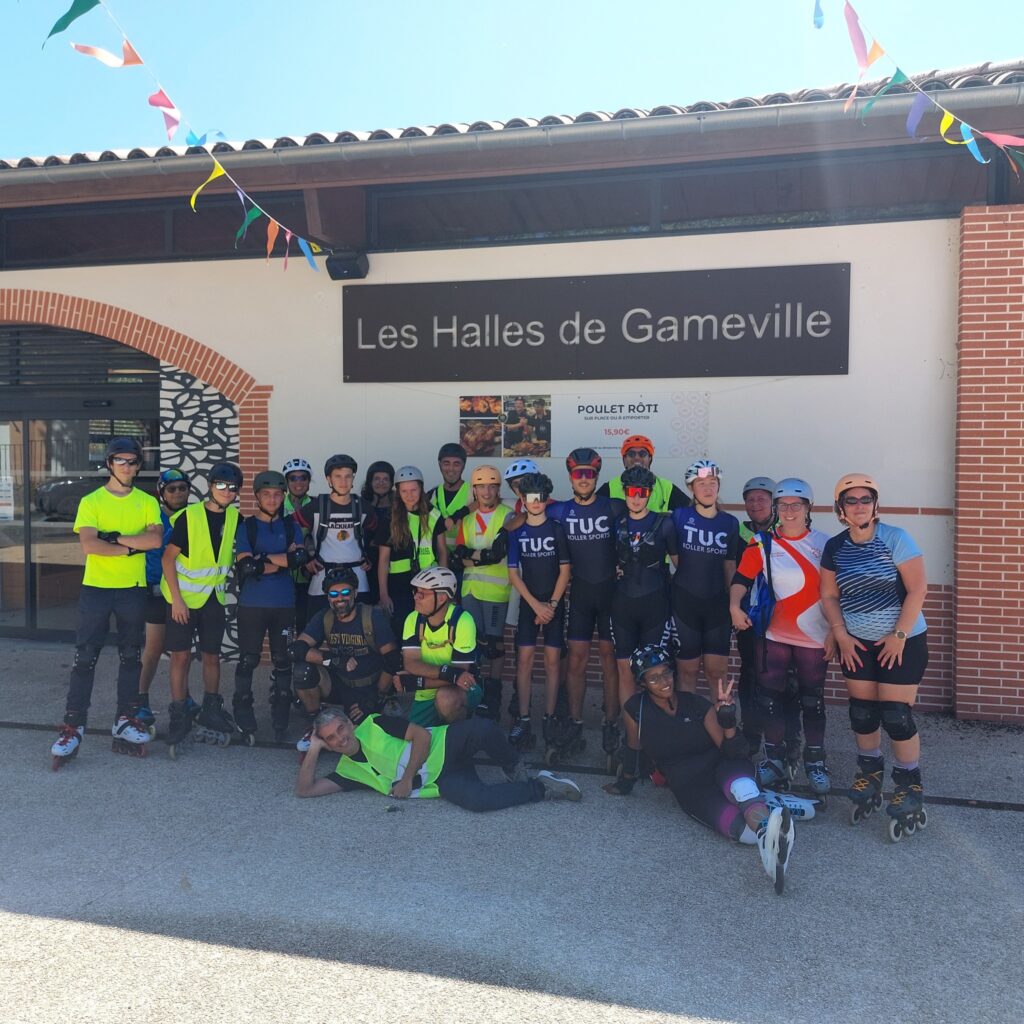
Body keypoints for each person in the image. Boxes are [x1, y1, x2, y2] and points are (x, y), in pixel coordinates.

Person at [603, 644, 804, 895]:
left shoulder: (696, 704)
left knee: (742, 789)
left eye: (666, 673)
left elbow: (734, 751)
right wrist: (625, 782)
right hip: (689, 784)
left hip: (721, 765)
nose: (663, 681)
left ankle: (766, 832)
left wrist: (727, 719)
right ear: (642, 683)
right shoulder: (636, 710)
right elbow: (633, 746)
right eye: (653, 678)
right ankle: (770, 819)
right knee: (740, 831)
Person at [819, 473, 930, 841]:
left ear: (875, 504)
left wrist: (898, 635)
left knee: (896, 715)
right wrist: (840, 634)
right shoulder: (835, 546)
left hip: (902, 640)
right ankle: (869, 774)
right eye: (851, 500)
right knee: (862, 713)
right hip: (857, 643)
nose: (859, 506)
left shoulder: (895, 538)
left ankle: (909, 785)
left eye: (865, 499)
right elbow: (829, 596)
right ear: (840, 508)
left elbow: (917, 589)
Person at [50, 437, 163, 767]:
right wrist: (131, 548)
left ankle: (125, 719)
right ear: (109, 464)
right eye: (120, 460)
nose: (127, 466)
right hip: (96, 589)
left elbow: (154, 540)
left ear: (138, 466)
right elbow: (90, 545)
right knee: (85, 657)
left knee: (131, 656)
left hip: (132, 589)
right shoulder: (91, 501)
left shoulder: (147, 501)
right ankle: (73, 726)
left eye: (133, 461)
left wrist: (112, 539)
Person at [729, 478, 833, 799]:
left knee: (812, 701)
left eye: (796, 505)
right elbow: (741, 579)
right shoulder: (762, 543)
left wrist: (836, 631)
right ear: (776, 508)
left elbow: (836, 592)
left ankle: (815, 761)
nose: (789, 511)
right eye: (783, 505)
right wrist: (733, 606)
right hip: (774, 634)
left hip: (814, 637)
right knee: (769, 699)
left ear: (808, 508)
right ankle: (774, 758)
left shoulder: (826, 544)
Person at [294, 706, 582, 808]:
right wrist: (314, 747)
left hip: (445, 745)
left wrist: (406, 780)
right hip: (441, 780)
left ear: (349, 723)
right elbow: (305, 790)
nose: (340, 738)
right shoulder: (347, 772)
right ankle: (542, 787)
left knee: (483, 728)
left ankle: (514, 767)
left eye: (341, 729)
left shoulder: (374, 724)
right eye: (330, 738)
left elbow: (421, 735)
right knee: (478, 801)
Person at [160, 462, 243, 754]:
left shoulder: (235, 517)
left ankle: (210, 707)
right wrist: (177, 601)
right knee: (180, 657)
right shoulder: (190, 516)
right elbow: (167, 559)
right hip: (182, 599)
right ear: (210, 486)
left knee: (212, 656)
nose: (226, 491)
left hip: (213, 598)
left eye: (232, 488)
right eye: (221, 485)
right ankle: (179, 711)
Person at [548, 448, 623, 763]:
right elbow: (524, 517)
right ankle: (576, 723)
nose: (583, 479)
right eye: (578, 474)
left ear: (596, 477)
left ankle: (611, 724)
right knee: (576, 660)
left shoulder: (613, 506)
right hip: (579, 595)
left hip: (610, 595)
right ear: (570, 477)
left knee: (609, 659)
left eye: (589, 474)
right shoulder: (559, 510)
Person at [232, 470, 308, 741]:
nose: (272, 499)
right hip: (252, 605)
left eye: (277, 494)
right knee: (248, 659)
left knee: (283, 660)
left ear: (283, 496)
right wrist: (279, 560)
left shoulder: (291, 526)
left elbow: (298, 559)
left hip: (284, 604)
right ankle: (242, 709)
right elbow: (246, 566)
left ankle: (280, 714)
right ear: (257, 496)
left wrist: (262, 558)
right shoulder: (248, 526)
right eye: (266, 494)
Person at [291, 566, 401, 752]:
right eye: (334, 594)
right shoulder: (324, 617)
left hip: (369, 686)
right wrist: (333, 659)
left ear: (355, 593)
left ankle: (381, 704)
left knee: (358, 738)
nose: (340, 598)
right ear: (328, 597)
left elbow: (393, 660)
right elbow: (296, 649)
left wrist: (375, 697)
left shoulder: (372, 616)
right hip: (340, 683)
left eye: (345, 592)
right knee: (303, 671)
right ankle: (316, 726)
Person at [505, 473, 571, 758]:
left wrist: (551, 605)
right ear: (522, 499)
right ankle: (523, 718)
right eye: (531, 497)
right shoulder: (516, 532)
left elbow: (565, 571)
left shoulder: (557, 529)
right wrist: (536, 606)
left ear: (546, 499)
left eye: (541, 497)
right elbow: (513, 575)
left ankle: (549, 717)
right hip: (529, 605)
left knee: (553, 662)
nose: (536, 502)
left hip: (554, 604)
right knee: (524, 660)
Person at [670, 459, 740, 693]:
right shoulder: (678, 517)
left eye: (713, 482)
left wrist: (733, 605)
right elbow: (676, 560)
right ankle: (687, 717)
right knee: (687, 672)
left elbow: (729, 566)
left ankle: (722, 717)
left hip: (717, 606)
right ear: (691, 488)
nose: (708, 488)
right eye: (701, 483)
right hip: (684, 604)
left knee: (717, 672)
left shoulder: (730, 523)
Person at [611, 466, 678, 711]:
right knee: (624, 670)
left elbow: (680, 566)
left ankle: (657, 727)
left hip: (655, 606)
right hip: (622, 606)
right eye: (632, 492)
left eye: (642, 492)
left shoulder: (665, 524)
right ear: (624, 492)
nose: (637, 498)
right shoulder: (616, 523)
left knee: (656, 671)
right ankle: (631, 730)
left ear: (649, 494)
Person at [452, 465, 513, 721]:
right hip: (470, 590)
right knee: (473, 644)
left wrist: (473, 557)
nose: (487, 492)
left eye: (492, 486)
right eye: (481, 487)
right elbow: (458, 556)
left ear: (498, 489)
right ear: (474, 490)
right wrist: (481, 556)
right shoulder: (467, 519)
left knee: (494, 645)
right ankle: (473, 694)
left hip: (496, 591)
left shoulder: (507, 515)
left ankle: (493, 697)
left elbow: (496, 554)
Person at [137, 468, 192, 734]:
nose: (178, 493)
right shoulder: (151, 516)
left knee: (182, 651)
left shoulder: (193, 516)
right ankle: (140, 700)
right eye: (172, 489)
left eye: (183, 488)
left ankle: (184, 697)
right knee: (154, 648)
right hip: (156, 593)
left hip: (183, 593)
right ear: (162, 492)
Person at [398, 567, 482, 725]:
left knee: (446, 699)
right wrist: (449, 674)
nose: (416, 597)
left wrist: (418, 682)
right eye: (415, 591)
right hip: (426, 693)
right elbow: (411, 664)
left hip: (462, 689)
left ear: (442, 597)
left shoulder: (463, 620)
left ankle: (461, 733)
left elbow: (461, 676)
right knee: (411, 735)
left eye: (422, 593)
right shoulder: (412, 619)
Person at [378, 465, 447, 637]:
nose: (409, 495)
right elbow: (383, 559)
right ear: (398, 492)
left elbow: (442, 552)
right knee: (403, 631)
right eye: (404, 491)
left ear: (421, 489)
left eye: (414, 490)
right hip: (399, 586)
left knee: (427, 632)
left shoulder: (434, 515)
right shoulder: (389, 517)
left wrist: (444, 586)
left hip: (429, 584)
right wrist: (384, 594)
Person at [306, 454, 377, 616]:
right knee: (317, 626)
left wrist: (370, 557)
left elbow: (377, 536)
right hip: (322, 578)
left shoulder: (364, 507)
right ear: (328, 479)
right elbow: (294, 530)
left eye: (348, 476)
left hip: (358, 579)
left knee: (361, 626)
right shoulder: (316, 506)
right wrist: (307, 556)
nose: (343, 481)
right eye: (338, 476)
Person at [597, 435, 689, 512]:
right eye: (631, 454)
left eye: (642, 454)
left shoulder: (665, 487)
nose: (637, 458)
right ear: (624, 460)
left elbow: (690, 511)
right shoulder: (610, 487)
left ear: (650, 459)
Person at [429, 443, 472, 576]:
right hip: (440, 563)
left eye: (456, 464)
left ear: (463, 466)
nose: (451, 469)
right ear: (439, 465)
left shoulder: (474, 492)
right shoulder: (431, 495)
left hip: (466, 565)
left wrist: (461, 513)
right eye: (446, 463)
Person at [283, 457, 315, 634]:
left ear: (309, 481)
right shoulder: (276, 505)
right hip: (283, 574)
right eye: (293, 478)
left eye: (303, 477)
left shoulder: (317, 506)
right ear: (287, 482)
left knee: (306, 624)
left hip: (310, 575)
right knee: (284, 625)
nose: (298, 482)